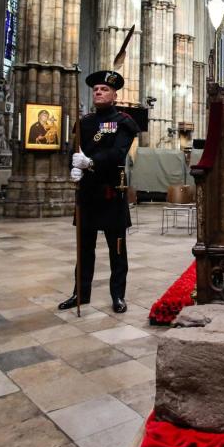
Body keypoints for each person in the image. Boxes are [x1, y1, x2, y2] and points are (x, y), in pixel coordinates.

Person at [58, 70, 140, 314]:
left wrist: (90, 163)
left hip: (111, 194)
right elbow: (74, 152)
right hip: (87, 196)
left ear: (114, 95)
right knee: (84, 250)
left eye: (104, 89)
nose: (98, 92)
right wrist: (73, 168)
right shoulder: (84, 123)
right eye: (95, 89)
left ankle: (118, 296)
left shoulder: (123, 122)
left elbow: (117, 154)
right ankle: (80, 294)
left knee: (116, 250)